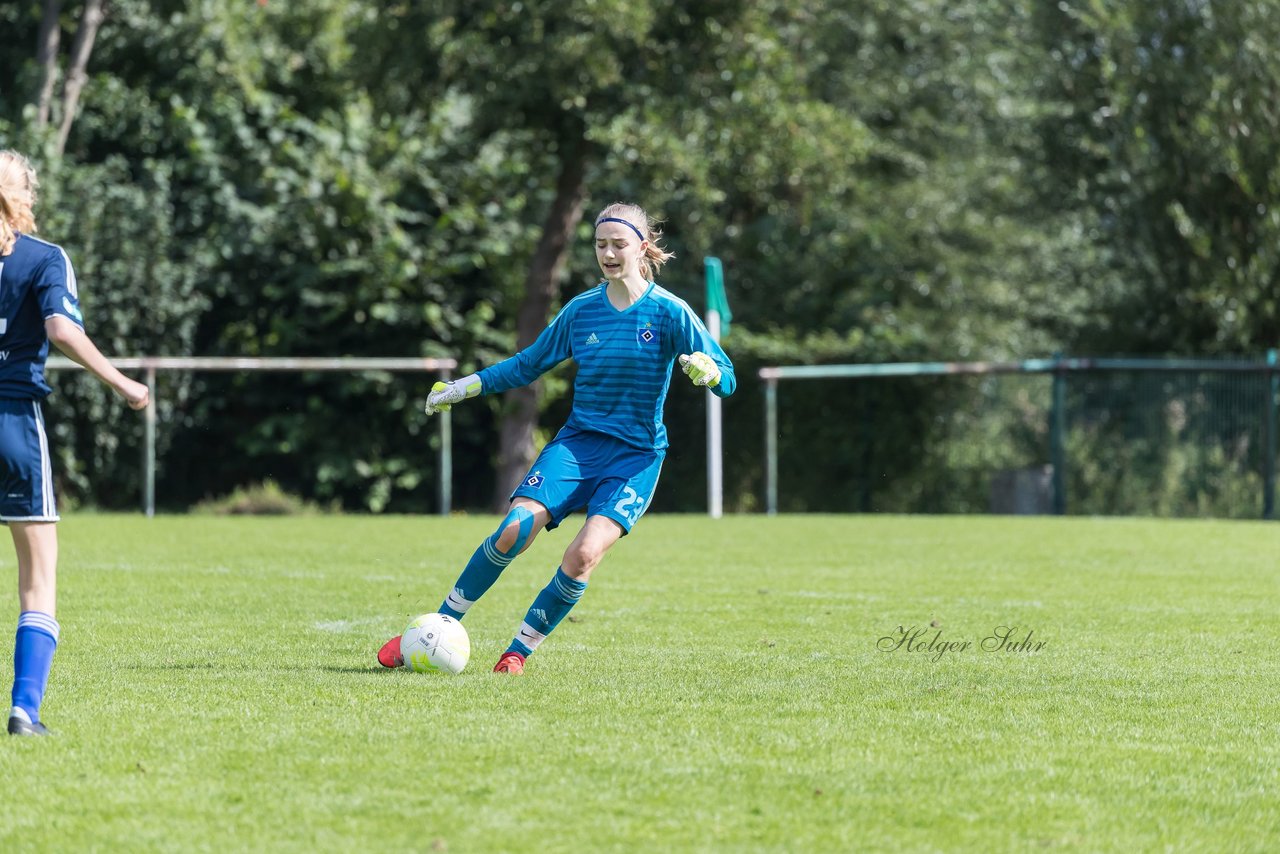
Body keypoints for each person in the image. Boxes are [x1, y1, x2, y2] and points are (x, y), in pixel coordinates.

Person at [379, 202, 735, 674]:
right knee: (514, 528)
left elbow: (728, 378)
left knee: (584, 554)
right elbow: (528, 364)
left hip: (636, 458)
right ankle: (431, 630)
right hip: (578, 445)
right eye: (600, 244)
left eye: (618, 244)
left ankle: (517, 652)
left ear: (643, 247)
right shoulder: (582, 311)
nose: (608, 253)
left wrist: (711, 371)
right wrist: (464, 386)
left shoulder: (671, 313)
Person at [0, 150, 150, 736]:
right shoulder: (45, 258)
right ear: (22, 196)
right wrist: (122, 382)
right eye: (28, 190)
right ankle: (24, 709)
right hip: (12, 422)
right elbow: (62, 329)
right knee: (38, 578)